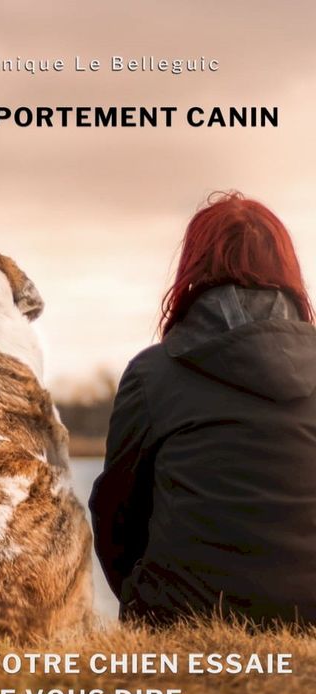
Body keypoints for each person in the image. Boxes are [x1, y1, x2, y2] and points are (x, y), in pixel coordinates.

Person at [89, 191, 316, 627]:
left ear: (194, 268)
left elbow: (115, 512)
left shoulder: (154, 373)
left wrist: (146, 599)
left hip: (182, 614)